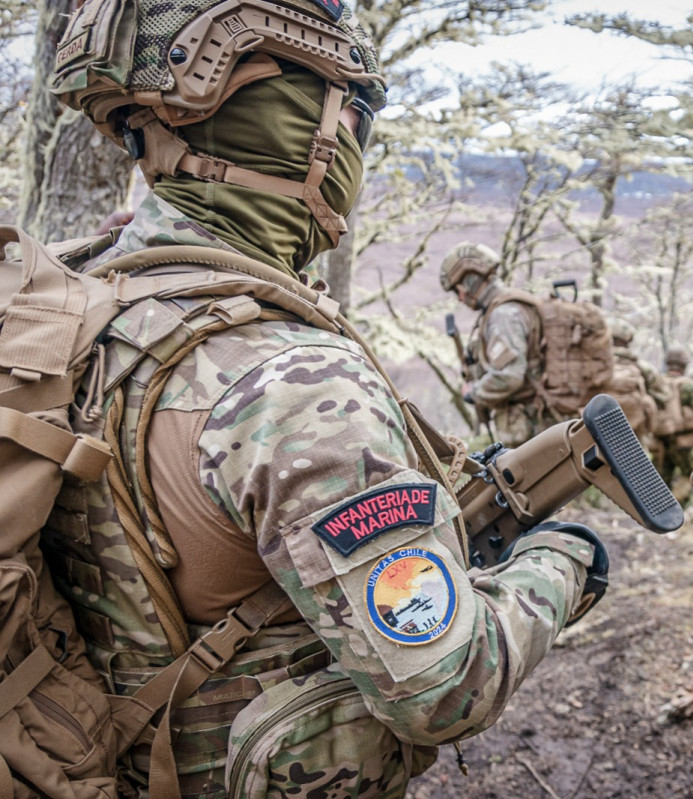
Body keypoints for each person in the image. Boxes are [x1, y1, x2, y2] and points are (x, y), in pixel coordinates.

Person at [47, 2, 605, 795]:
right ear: (309, 128)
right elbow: (447, 688)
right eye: (355, 116)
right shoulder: (290, 380)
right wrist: (563, 561)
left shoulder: (72, 302)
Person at [441, 242, 546, 446]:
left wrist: (475, 392)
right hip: (533, 428)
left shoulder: (503, 315)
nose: (460, 298)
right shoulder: (505, 308)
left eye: (458, 290)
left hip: (532, 429)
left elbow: (510, 375)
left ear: (471, 280)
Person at [653, 345, 693, 505]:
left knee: (660, 479)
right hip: (683, 442)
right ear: (685, 365)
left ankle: (657, 514)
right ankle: (680, 512)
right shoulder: (689, 386)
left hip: (659, 440)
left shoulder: (657, 384)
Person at [608, 318, 673, 441]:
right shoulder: (641, 366)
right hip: (633, 433)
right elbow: (664, 394)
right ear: (627, 341)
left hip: (594, 432)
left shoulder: (593, 366)